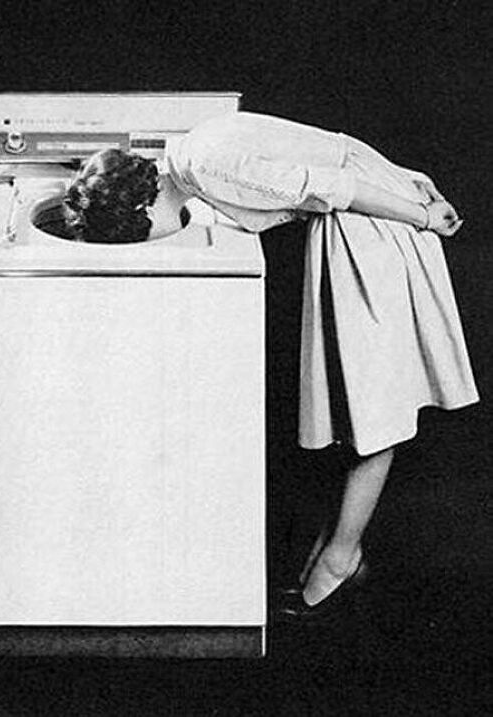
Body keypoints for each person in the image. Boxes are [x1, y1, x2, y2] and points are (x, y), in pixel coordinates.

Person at [62, 111, 480, 618]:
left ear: (140, 207)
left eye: (140, 237)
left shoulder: (207, 166)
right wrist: (406, 179)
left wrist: (422, 215)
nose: (152, 244)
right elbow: (326, 152)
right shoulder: (190, 152)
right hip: (356, 220)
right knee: (359, 410)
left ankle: (341, 558)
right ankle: (335, 549)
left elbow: (339, 183)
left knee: (374, 414)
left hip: (371, 224)